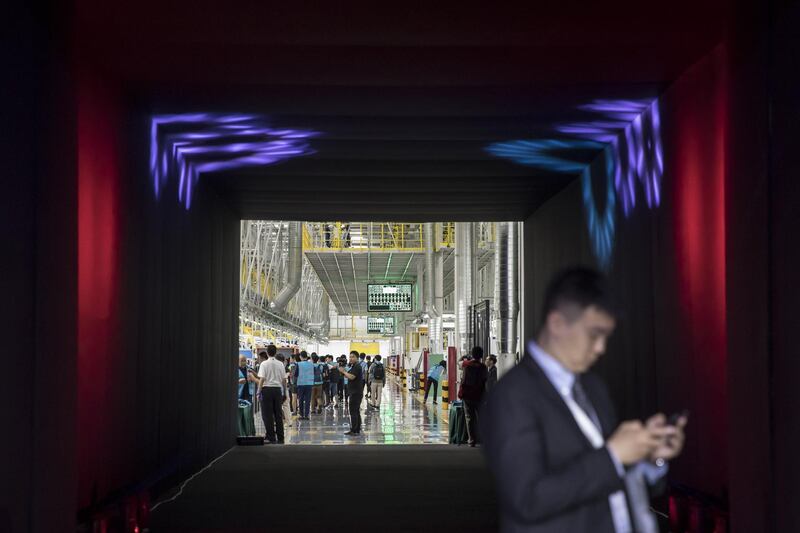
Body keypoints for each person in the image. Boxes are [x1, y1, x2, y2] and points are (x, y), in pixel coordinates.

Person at [482, 267, 687, 532]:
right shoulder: (512, 396)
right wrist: (613, 456)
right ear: (557, 324)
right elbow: (527, 499)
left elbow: (604, 481)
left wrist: (649, 457)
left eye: (606, 337)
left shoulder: (593, 387)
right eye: (594, 334)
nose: (601, 348)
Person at [256, 345, 287, 444]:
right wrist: (284, 392)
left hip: (267, 390)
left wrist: (258, 392)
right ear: (276, 352)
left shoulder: (264, 364)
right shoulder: (281, 364)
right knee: (278, 414)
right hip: (277, 390)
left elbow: (262, 379)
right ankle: (281, 437)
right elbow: (284, 379)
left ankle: (271, 437)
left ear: (267, 352)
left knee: (267, 415)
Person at [459, 347, 488, 446]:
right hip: (479, 396)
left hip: (468, 396)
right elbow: (485, 381)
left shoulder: (468, 366)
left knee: (469, 418)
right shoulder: (483, 367)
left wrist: (461, 393)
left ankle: (471, 440)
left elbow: (464, 381)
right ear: (481, 355)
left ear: (472, 354)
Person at [340, 350, 365, 435]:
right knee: (356, 411)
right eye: (350, 356)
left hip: (356, 393)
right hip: (354, 392)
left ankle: (354, 430)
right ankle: (356, 429)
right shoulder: (353, 366)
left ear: (357, 358)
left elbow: (352, 377)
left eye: (353, 357)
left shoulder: (357, 366)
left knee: (353, 411)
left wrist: (343, 372)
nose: (351, 358)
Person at [295, 351, 314, 420]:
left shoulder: (298, 364)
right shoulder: (311, 364)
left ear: (301, 356)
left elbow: (296, 374)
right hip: (309, 383)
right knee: (308, 399)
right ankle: (306, 415)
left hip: (301, 383)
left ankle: (301, 415)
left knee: (301, 399)